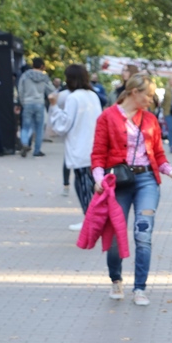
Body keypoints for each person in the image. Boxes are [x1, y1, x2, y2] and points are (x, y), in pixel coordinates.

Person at [90, 72, 172, 306]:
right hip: (119, 182)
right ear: (135, 92)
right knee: (116, 233)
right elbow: (98, 154)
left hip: (147, 181)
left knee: (143, 233)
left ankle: (140, 288)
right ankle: (116, 279)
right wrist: (99, 179)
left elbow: (159, 154)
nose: (151, 100)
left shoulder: (151, 119)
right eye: (149, 95)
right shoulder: (107, 117)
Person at [49, 64, 102, 231]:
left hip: (80, 148)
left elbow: (63, 125)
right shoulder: (93, 95)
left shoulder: (74, 98)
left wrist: (54, 106)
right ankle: (94, 219)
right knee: (92, 185)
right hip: (95, 147)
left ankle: (90, 220)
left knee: (83, 186)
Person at [16, 57, 54, 157]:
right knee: (39, 128)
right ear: (42, 66)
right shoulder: (44, 77)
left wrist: (22, 101)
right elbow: (51, 90)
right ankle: (37, 150)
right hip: (39, 103)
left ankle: (24, 143)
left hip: (27, 103)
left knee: (25, 126)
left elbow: (20, 89)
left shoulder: (25, 75)